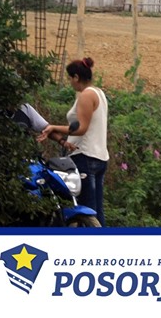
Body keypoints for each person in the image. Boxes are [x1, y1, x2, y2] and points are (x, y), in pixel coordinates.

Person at [38, 57, 109, 226]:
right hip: (100, 156)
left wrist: (53, 127)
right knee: (97, 213)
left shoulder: (86, 95)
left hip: (85, 155)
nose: (70, 82)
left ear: (76, 77)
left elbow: (81, 128)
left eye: (70, 78)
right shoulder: (99, 93)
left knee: (86, 211)